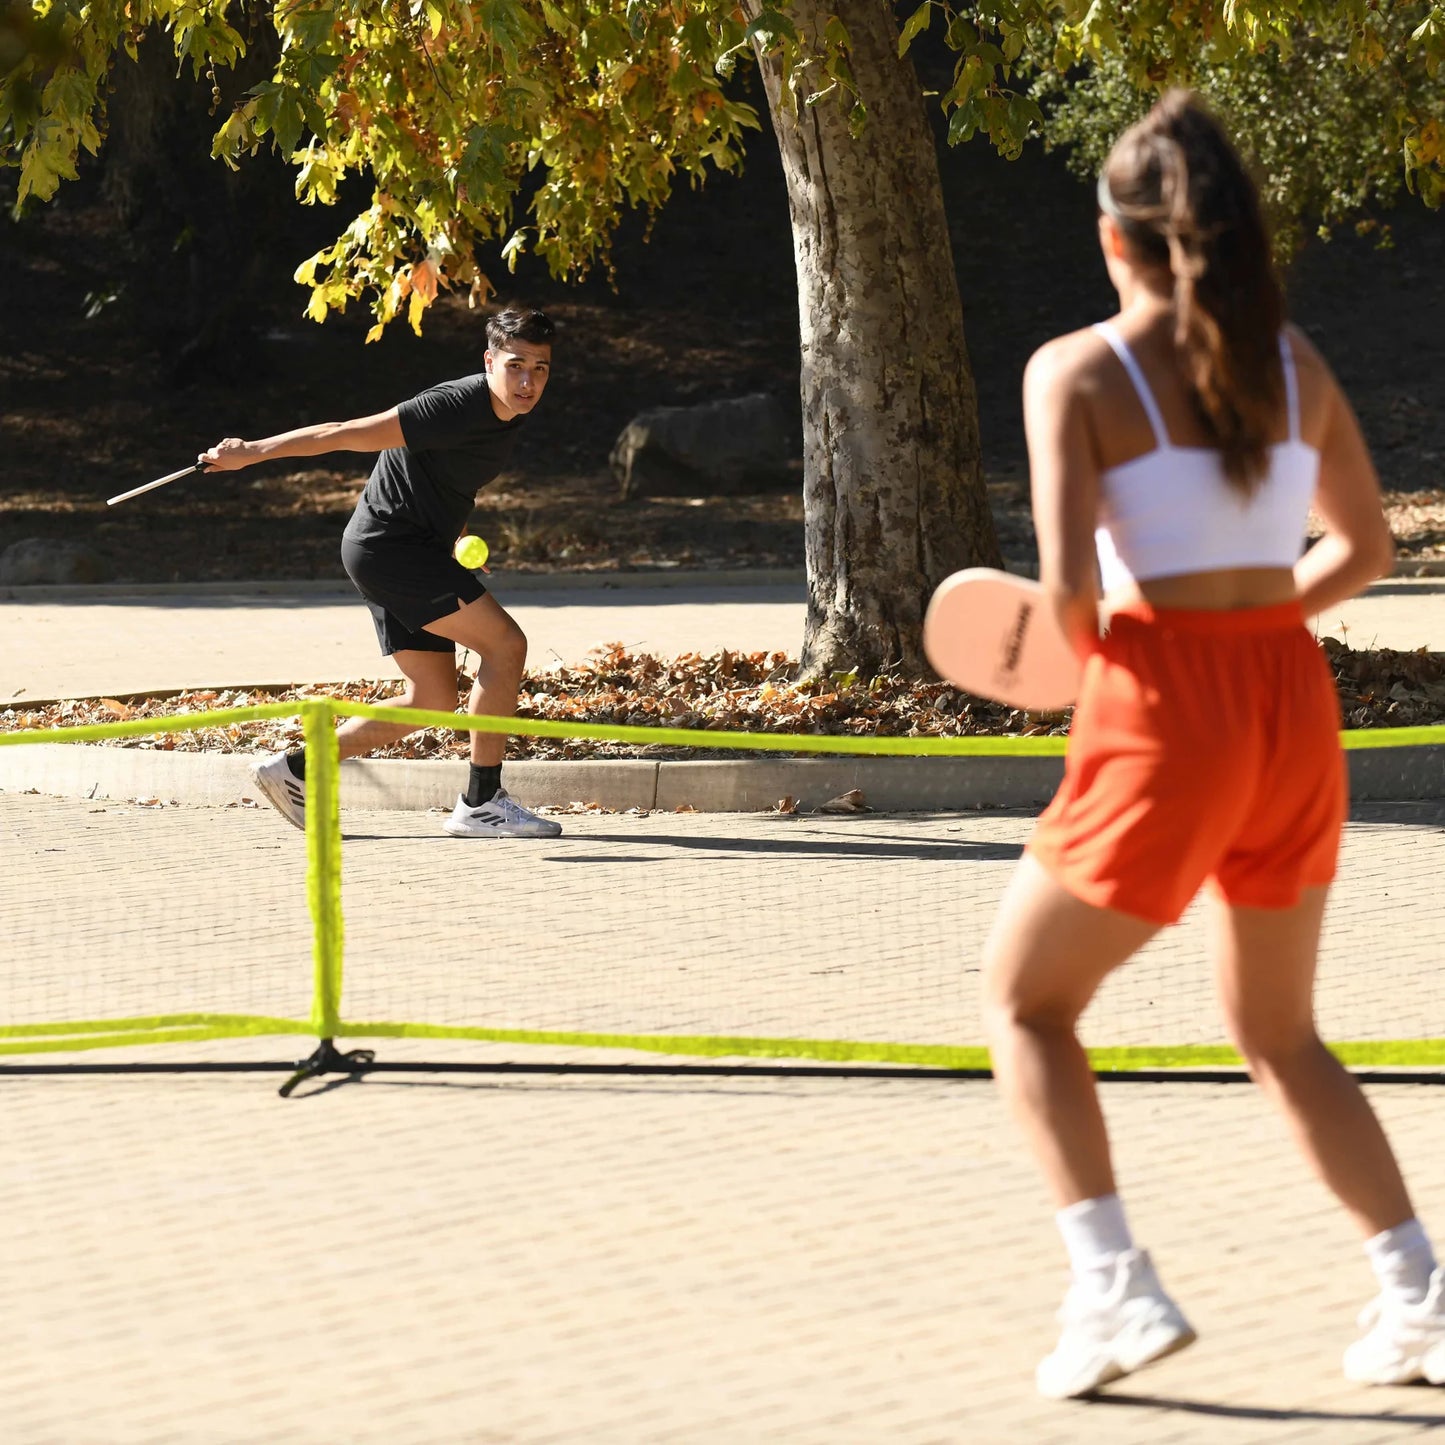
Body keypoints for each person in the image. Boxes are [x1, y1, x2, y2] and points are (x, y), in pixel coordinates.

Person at [981, 90, 1444, 1399]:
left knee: (1025, 1001)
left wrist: (1071, 650)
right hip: (1290, 703)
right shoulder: (1292, 363)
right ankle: (1421, 1298)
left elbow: (1069, 602)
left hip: (1164, 707)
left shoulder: (1076, 371)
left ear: (1111, 236)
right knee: (1280, 1029)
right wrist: (1249, 630)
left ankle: (1113, 1289)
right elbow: (1366, 545)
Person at [200, 303, 562, 839]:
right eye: (516, 365)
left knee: (432, 700)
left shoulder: (506, 415)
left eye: (540, 368)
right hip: (392, 550)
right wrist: (252, 452)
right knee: (506, 647)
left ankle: (295, 770)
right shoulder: (454, 404)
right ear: (489, 361)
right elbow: (344, 432)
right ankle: (481, 800)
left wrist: (456, 535)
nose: (528, 380)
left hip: (404, 549)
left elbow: (441, 480)